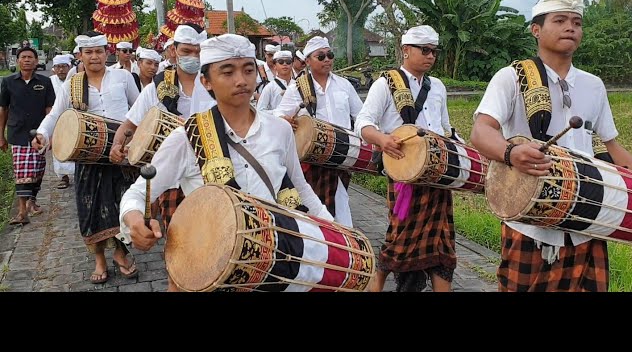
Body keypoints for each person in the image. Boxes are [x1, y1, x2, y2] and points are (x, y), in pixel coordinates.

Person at [119, 34, 333, 291]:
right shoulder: (187, 137)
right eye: (228, 72)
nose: (241, 80)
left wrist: (331, 229)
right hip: (216, 266)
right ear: (206, 81)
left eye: (248, 70)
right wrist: (133, 218)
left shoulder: (280, 130)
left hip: (276, 258)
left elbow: (300, 186)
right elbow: (140, 191)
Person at [470, 0, 632, 292]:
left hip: (587, 220)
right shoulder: (511, 77)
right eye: (560, 20)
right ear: (536, 30)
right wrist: (511, 153)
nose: (570, 27)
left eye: (576, 22)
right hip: (530, 221)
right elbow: (481, 130)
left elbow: (612, 146)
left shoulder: (593, 85)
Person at [355, 25, 456, 292]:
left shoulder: (438, 87)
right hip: (404, 176)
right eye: (425, 50)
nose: (430, 56)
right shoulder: (385, 83)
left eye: (434, 51)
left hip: (437, 175)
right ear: (406, 50)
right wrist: (383, 140)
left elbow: (446, 127)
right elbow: (363, 123)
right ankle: (375, 287)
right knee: (399, 240)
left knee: (441, 240)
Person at [33, 32, 140, 285]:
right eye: (88, 52)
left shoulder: (123, 78)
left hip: (120, 155)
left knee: (123, 205)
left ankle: (120, 253)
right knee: (90, 209)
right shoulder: (73, 84)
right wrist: (41, 133)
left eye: (99, 51)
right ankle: (99, 259)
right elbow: (56, 115)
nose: (95, 57)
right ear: (80, 56)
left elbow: (139, 110)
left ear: (106, 53)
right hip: (88, 157)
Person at [110, 24, 212, 230]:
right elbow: (130, 123)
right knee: (178, 233)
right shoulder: (156, 88)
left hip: (211, 170)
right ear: (174, 51)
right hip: (170, 171)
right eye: (186, 51)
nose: (193, 57)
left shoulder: (215, 83)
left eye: (198, 52)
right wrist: (116, 145)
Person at [275, 36, 363, 226]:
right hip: (312, 160)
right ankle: (329, 242)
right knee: (316, 206)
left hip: (341, 157)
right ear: (307, 61)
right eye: (320, 56)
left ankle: (340, 242)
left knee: (340, 203)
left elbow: (361, 117)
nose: (327, 60)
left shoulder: (344, 85)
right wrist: (286, 121)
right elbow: (279, 116)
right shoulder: (297, 87)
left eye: (329, 55)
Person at [0, 46, 56, 224]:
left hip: (39, 133)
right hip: (17, 132)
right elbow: (3, 110)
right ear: (17, 61)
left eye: (30, 57)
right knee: (22, 171)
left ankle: (33, 201)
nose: (27, 60)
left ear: (36, 61)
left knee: (38, 169)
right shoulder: (8, 82)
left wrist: (51, 133)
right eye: (23, 57)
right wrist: (1, 135)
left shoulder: (45, 83)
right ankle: (22, 211)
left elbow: (50, 110)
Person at [49, 54, 75, 189]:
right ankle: (63, 177)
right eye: (58, 67)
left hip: (73, 120)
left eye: (64, 67)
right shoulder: (50, 81)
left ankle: (78, 175)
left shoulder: (75, 80)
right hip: (56, 120)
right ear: (54, 68)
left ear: (69, 67)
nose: (61, 70)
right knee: (58, 148)